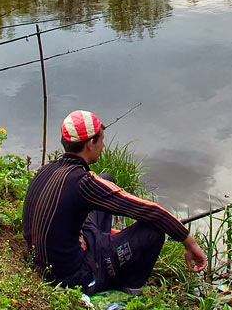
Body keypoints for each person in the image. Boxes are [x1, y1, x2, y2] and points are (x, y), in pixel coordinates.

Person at [23, 110, 207, 294]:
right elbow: (151, 211)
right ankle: (128, 286)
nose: (103, 146)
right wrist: (190, 242)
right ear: (89, 144)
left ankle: (104, 241)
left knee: (107, 179)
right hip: (73, 276)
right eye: (101, 140)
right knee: (154, 229)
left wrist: (78, 234)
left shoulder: (46, 170)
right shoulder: (84, 183)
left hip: (47, 261)